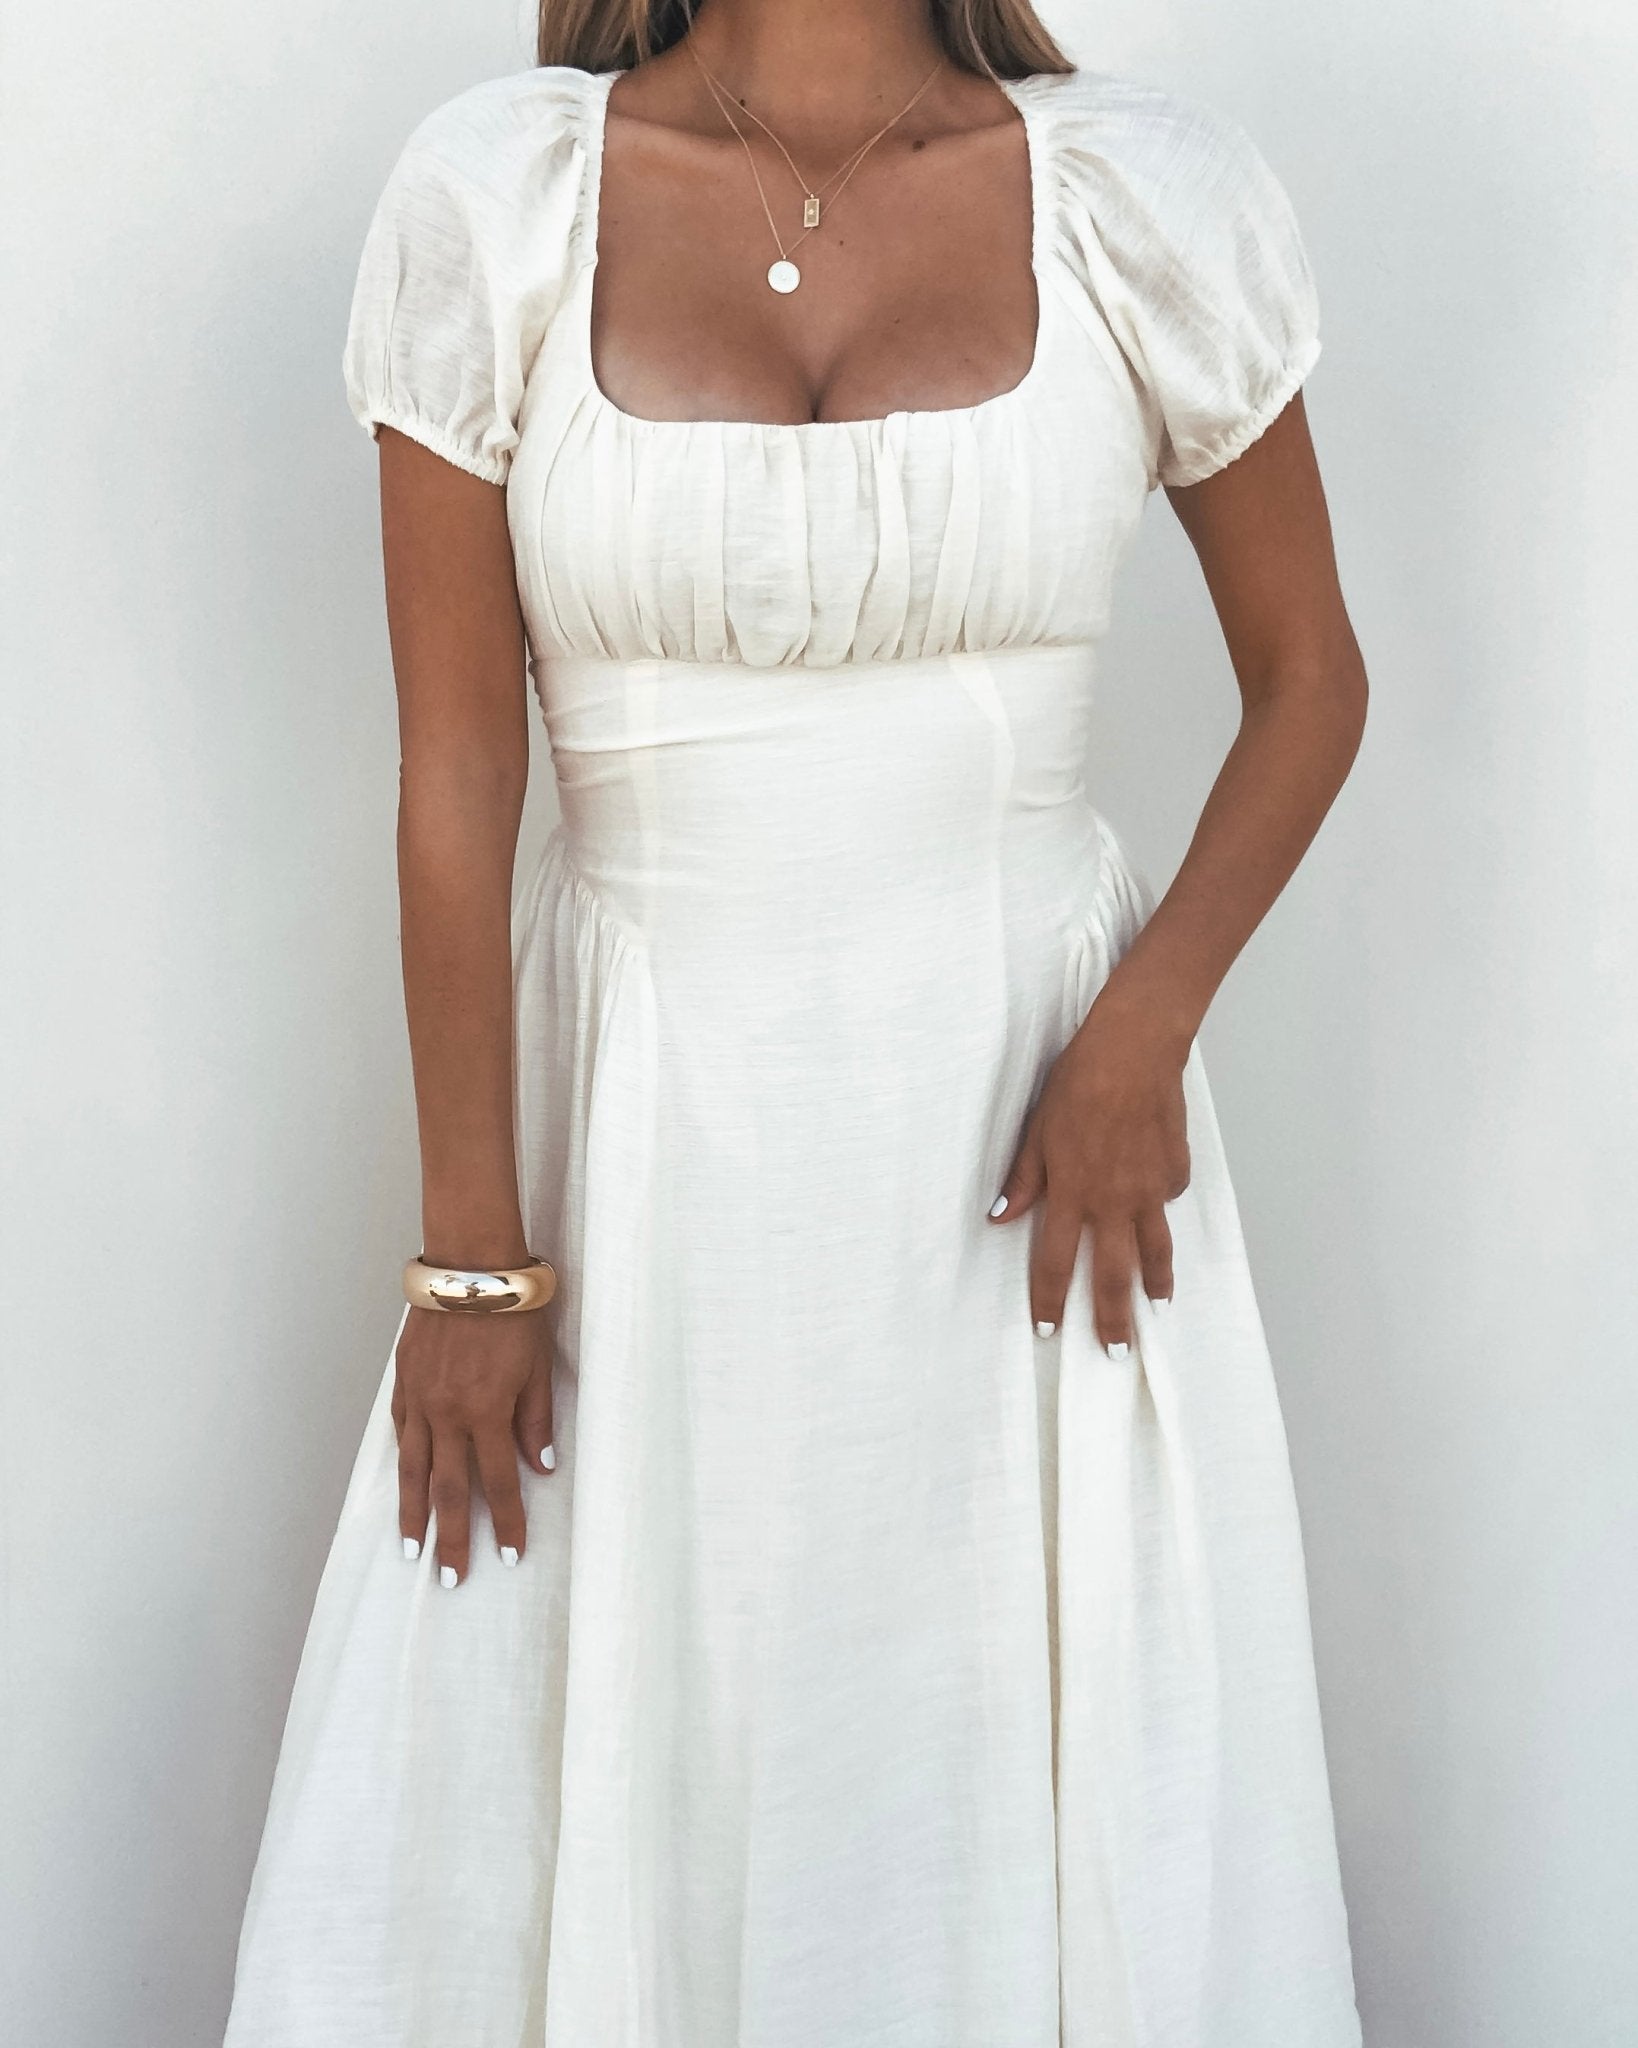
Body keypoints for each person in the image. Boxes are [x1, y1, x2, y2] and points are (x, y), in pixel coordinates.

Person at [223, 0, 1368, 2041]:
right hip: (643, 1120)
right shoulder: (504, 197)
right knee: (597, 1699)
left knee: (1005, 1726)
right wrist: (470, 1251)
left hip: (1034, 1137)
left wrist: (1143, 1030)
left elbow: (1313, 682)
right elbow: (458, 772)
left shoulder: (1136, 196)